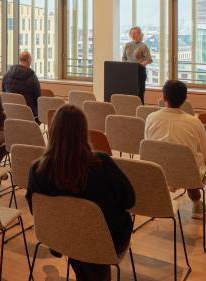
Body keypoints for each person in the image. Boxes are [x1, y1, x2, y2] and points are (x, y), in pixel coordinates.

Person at [27, 105, 135, 281]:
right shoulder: (102, 163)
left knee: (80, 242)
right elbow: (129, 200)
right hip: (107, 242)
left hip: (62, 236)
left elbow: (36, 210)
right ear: (84, 132)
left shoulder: (37, 170)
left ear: (53, 131)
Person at [144, 80, 206, 219]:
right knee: (192, 162)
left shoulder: (151, 118)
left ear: (163, 97)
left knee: (177, 159)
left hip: (158, 171)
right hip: (188, 174)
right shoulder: (194, 122)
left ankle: (162, 201)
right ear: (185, 99)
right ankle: (197, 205)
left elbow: (148, 146)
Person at [1, 51, 41, 121]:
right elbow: (37, 98)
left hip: (9, 114)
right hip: (28, 115)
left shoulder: (7, 75)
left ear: (20, 59)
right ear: (29, 60)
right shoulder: (32, 77)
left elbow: (3, 93)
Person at [122, 26, 152, 102]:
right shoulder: (127, 45)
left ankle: (140, 108)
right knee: (129, 94)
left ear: (139, 34)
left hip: (139, 73)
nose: (133, 35)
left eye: (135, 33)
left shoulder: (143, 46)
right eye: (131, 33)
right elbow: (124, 58)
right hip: (128, 72)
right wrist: (125, 66)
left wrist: (140, 65)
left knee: (139, 94)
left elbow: (149, 60)